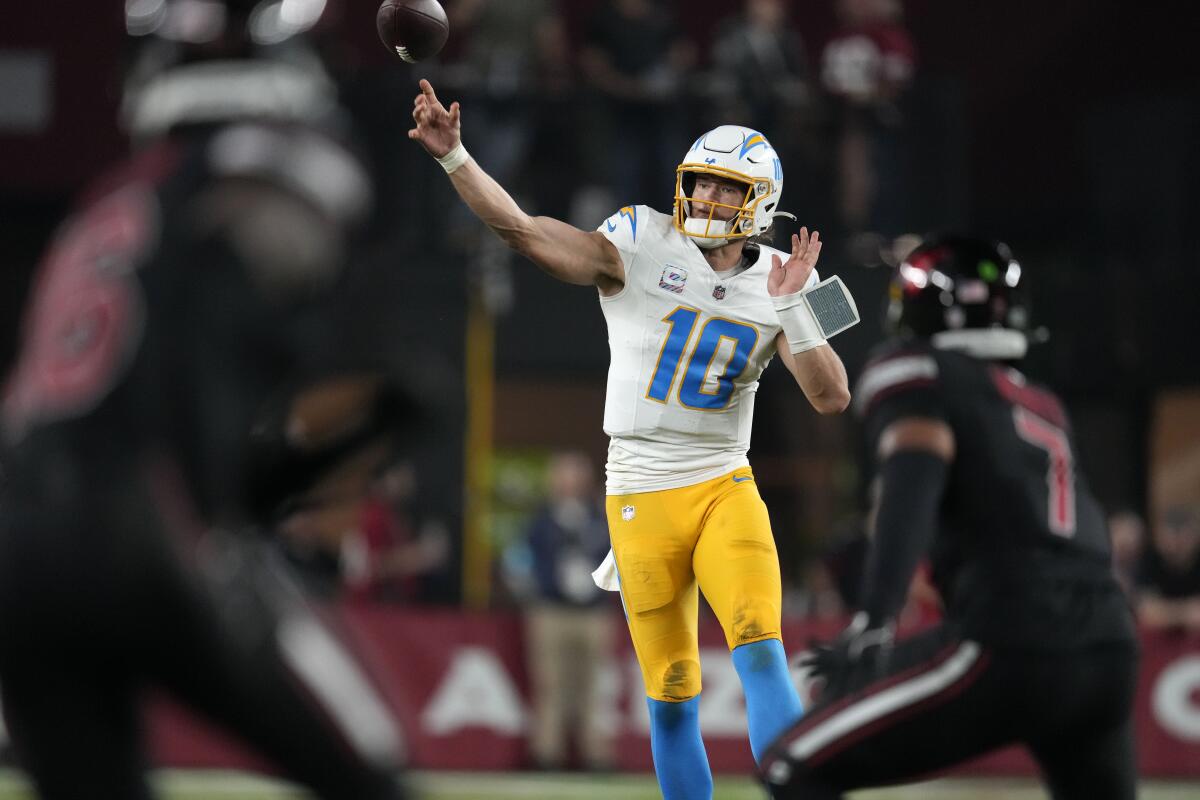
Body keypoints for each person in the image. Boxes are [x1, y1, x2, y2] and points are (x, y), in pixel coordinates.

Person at [408, 78, 859, 798]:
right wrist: (456, 158)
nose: (706, 202)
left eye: (725, 191)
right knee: (672, 692)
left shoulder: (794, 277)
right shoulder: (639, 239)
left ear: (762, 204)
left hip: (722, 480)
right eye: (701, 186)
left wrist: (793, 308)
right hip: (639, 488)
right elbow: (523, 230)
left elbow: (832, 397)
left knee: (760, 647)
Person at [0, 2, 408, 797]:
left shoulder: (110, 200)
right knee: (369, 774)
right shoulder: (260, 170)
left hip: (16, 545)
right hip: (140, 525)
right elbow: (273, 334)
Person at [761, 236, 1139, 799]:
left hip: (1013, 636)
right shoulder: (1040, 402)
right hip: (1111, 643)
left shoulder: (919, 370)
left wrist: (876, 618)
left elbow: (912, 481)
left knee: (791, 766)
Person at [521, 451, 616, 772]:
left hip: (593, 611)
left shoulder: (599, 516)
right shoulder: (542, 518)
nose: (569, 481)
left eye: (574, 474)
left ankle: (595, 753)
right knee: (550, 683)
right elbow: (525, 558)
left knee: (596, 684)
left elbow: (615, 553)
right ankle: (547, 751)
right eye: (563, 474)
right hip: (551, 610)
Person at [1136, 504, 1200, 633]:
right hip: (1161, 637)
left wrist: (1167, 611)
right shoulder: (1149, 560)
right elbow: (1146, 611)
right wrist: (1184, 612)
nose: (1177, 546)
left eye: (1184, 539)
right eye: (1171, 539)